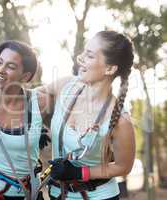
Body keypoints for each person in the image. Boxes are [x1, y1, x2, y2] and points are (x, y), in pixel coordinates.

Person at [44, 30, 135, 200]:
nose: (81, 58)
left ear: (109, 68)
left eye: (90, 55)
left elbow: (124, 166)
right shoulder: (65, 86)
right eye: (84, 52)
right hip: (57, 194)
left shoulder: (121, 120)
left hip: (99, 196)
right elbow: (28, 99)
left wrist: (81, 172)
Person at [0, 40, 53, 200]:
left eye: (10, 66)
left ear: (25, 76)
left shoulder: (41, 103)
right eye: (0, 62)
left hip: (31, 192)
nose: (0, 70)